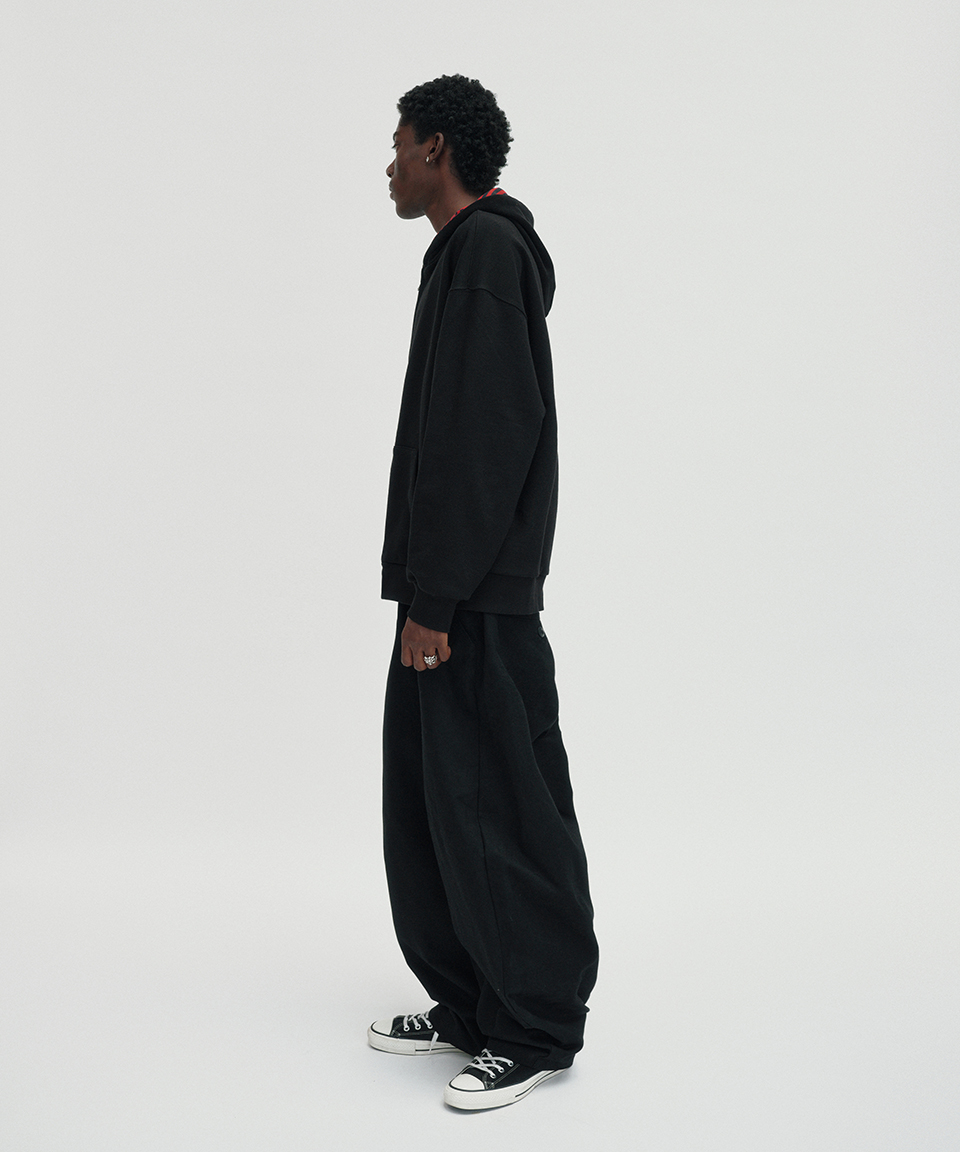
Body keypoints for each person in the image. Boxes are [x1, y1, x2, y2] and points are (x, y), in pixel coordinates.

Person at [368, 74, 599, 1112]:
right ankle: (470, 1003)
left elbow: (485, 439)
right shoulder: (462, 254)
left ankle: (535, 1029)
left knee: (501, 810)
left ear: (437, 150)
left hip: (473, 604)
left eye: (398, 144)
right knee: (432, 808)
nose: (388, 164)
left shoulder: (490, 254)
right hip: (446, 591)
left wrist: (439, 599)